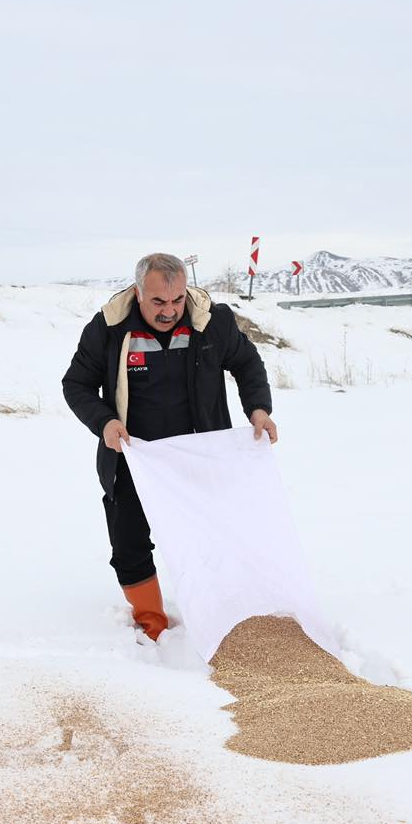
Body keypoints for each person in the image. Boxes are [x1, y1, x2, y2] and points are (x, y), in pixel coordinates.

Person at [62, 253, 277, 642]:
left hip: (197, 455)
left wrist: (258, 409)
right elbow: (75, 384)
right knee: (128, 544)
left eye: (177, 299)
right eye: (159, 301)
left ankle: (222, 617)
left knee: (210, 540)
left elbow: (247, 363)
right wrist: (105, 422)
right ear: (138, 292)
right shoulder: (108, 328)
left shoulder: (212, 322)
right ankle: (153, 625)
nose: (170, 310)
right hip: (132, 456)